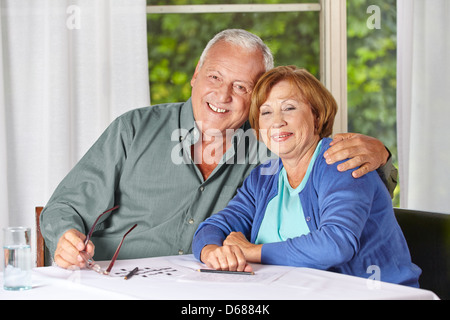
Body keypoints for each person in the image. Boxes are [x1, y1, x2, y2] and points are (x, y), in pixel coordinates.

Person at [41, 29, 397, 270]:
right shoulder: (134, 129)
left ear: (256, 98)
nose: (223, 96)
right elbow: (64, 207)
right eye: (215, 77)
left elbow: (347, 189)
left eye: (241, 86)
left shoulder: (271, 147)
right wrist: (66, 237)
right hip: (115, 281)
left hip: (212, 292)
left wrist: (382, 155)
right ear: (196, 73)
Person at [193, 66, 420, 287]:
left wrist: (251, 250)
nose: (277, 121)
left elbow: (336, 243)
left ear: (317, 116)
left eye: (289, 108)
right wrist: (213, 251)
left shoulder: (341, 159)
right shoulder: (264, 176)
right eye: (266, 112)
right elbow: (215, 226)